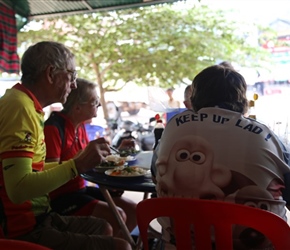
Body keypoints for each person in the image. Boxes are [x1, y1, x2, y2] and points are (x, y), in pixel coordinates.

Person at [0, 41, 131, 250]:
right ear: (51, 73)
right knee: (122, 246)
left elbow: (36, 170)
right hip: (22, 228)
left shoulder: (27, 105)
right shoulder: (20, 107)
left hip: (42, 216)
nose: (74, 85)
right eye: (72, 75)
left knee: (104, 228)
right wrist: (76, 166)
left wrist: (79, 162)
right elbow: (18, 189)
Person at [152, 65, 290, 250]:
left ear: (194, 98)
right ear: (242, 100)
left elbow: (156, 174)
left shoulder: (173, 125)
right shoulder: (265, 135)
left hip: (181, 245)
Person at [44, 78, 137, 237]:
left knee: (134, 210)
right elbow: (48, 179)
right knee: (117, 216)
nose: (99, 106)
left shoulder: (79, 127)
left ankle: (120, 246)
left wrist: (118, 154)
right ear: (78, 106)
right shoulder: (53, 128)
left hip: (80, 190)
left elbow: (91, 162)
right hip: (60, 198)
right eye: (94, 102)